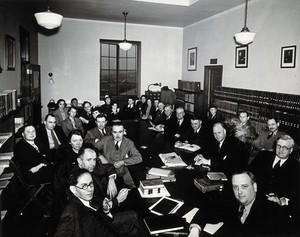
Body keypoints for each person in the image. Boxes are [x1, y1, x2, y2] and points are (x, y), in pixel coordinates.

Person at [188, 170, 276, 237]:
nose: (239, 191)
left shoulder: (270, 212)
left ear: (255, 187)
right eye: (235, 187)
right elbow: (207, 209)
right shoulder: (234, 203)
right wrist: (194, 230)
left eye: (244, 186)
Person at [250, 135, 300, 235]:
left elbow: (296, 195)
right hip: (255, 200)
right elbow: (248, 174)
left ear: (290, 150)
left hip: (276, 209)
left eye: (285, 148)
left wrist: (282, 200)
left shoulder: (296, 168)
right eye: (278, 146)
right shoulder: (263, 156)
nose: (281, 150)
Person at [54, 169, 125, 237]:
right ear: (73, 189)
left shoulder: (91, 199)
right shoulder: (71, 212)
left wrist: (106, 212)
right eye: (84, 186)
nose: (90, 189)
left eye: (91, 184)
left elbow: (104, 222)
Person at [94, 122, 142, 188]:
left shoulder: (129, 143)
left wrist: (123, 162)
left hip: (123, 171)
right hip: (107, 171)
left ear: (124, 131)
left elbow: (139, 158)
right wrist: (101, 157)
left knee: (135, 188)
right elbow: (92, 148)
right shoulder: (105, 140)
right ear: (111, 132)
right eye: (115, 132)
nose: (117, 135)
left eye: (120, 132)